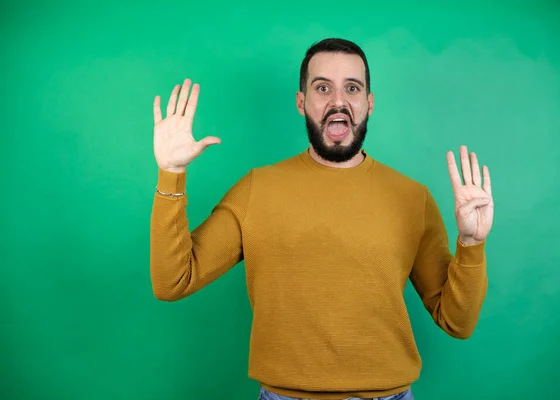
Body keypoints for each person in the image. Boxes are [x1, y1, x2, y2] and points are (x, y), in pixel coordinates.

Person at [150, 38, 494, 400]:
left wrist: (471, 244)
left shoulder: (413, 198)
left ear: (369, 103)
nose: (338, 101)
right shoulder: (257, 190)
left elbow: (458, 321)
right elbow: (173, 282)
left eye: (352, 88)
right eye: (322, 87)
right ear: (301, 102)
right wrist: (171, 172)